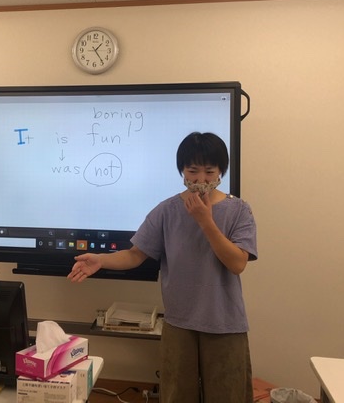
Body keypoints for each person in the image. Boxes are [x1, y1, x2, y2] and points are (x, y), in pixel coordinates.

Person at [67, 132, 258, 403]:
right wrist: (102, 260)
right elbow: (135, 255)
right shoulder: (167, 210)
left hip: (225, 323)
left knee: (228, 395)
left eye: (209, 171)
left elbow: (237, 263)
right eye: (192, 171)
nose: (200, 179)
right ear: (182, 171)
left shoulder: (239, 210)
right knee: (176, 394)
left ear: (221, 172)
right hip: (179, 322)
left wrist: (205, 221)